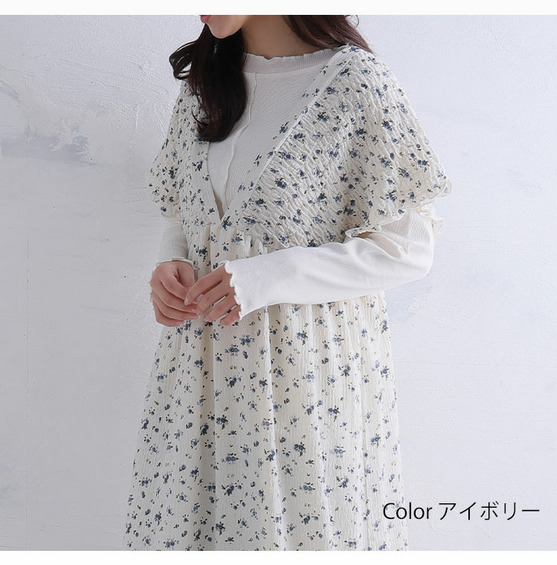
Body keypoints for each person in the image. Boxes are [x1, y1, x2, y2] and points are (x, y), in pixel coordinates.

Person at [124, 15, 452, 551]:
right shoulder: (205, 83)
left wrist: (269, 276)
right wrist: (171, 262)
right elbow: (186, 214)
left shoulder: (354, 83)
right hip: (196, 377)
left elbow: (409, 249)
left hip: (307, 381)